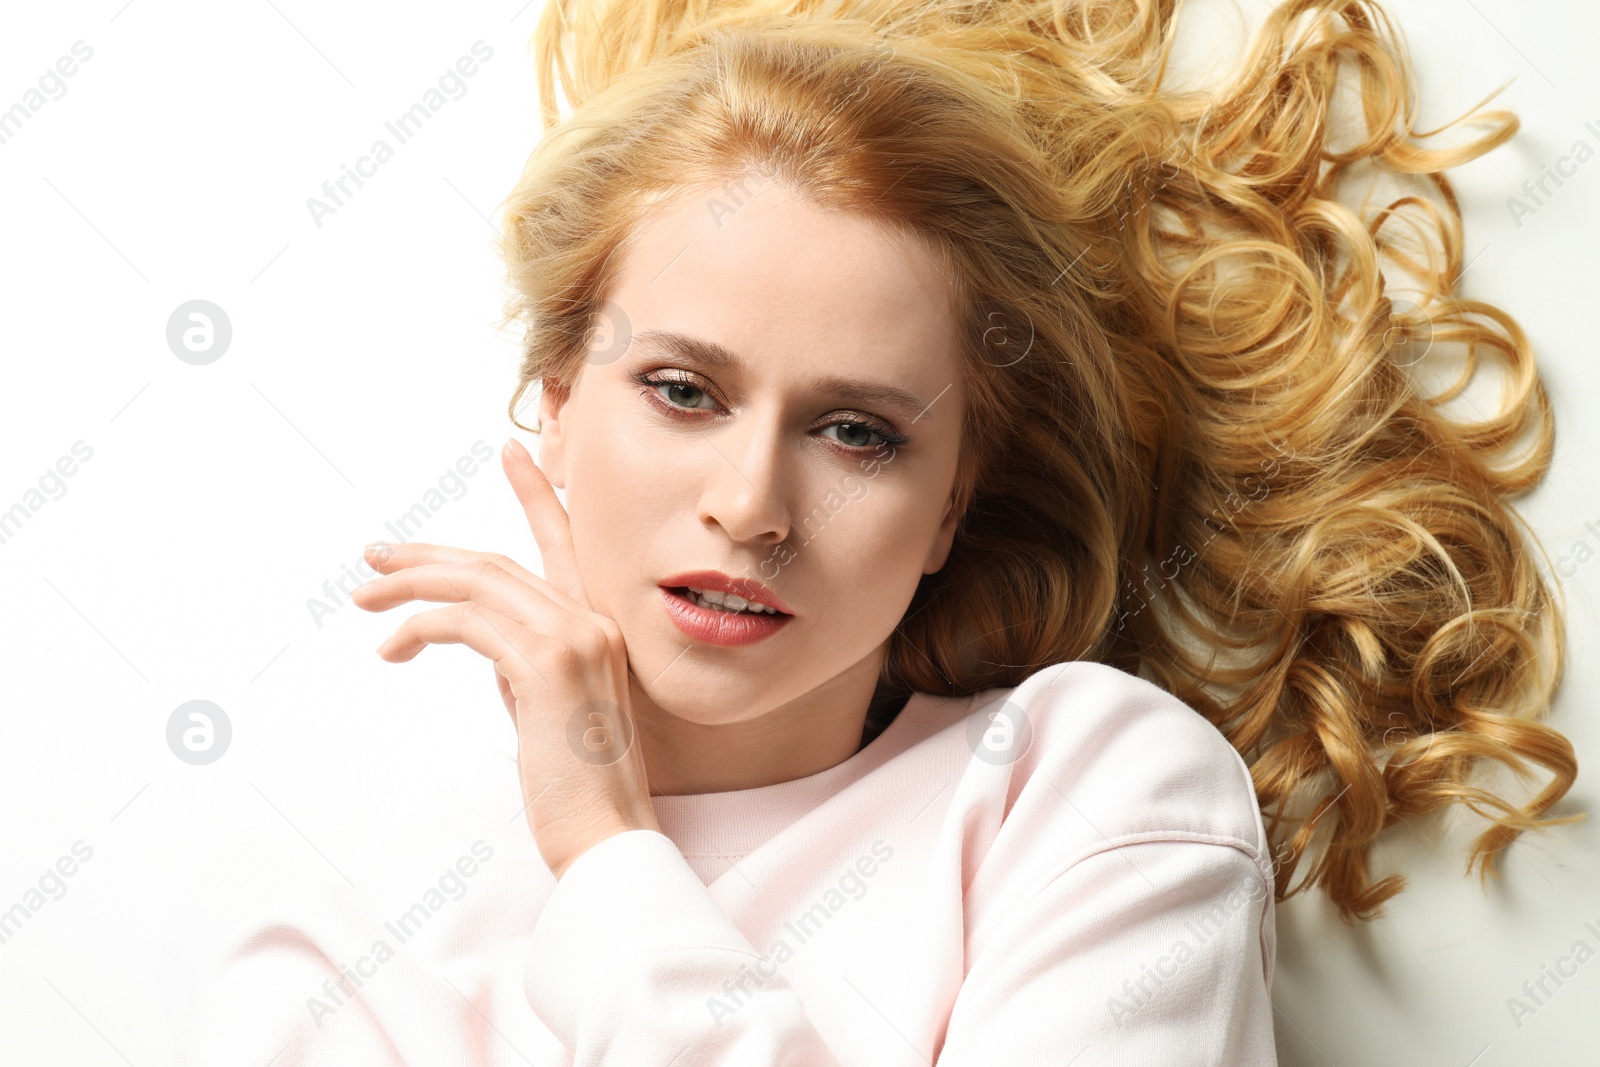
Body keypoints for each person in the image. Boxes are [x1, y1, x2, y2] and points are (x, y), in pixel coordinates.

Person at [174, 0, 1580, 1063]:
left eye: (858, 432)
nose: (751, 506)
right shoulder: (337, 966)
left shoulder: (1087, 796)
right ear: (553, 404)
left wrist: (607, 855)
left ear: (954, 499)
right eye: (682, 390)